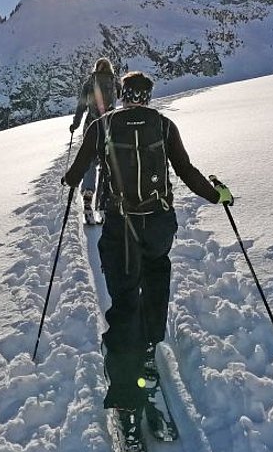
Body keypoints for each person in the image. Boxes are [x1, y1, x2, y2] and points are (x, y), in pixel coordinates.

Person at [62, 71, 234, 418]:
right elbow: (185, 169)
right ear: (149, 96)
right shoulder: (165, 126)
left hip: (120, 230)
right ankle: (149, 350)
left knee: (125, 300)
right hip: (158, 225)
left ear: (123, 94)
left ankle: (126, 387)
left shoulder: (103, 127)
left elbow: (76, 172)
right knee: (155, 284)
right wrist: (216, 195)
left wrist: (69, 179)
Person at [70, 57, 118, 220]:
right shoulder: (114, 82)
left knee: (90, 161)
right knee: (107, 164)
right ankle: (104, 205)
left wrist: (75, 124)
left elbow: (81, 106)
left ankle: (88, 198)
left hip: (91, 126)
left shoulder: (89, 83)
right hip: (110, 126)